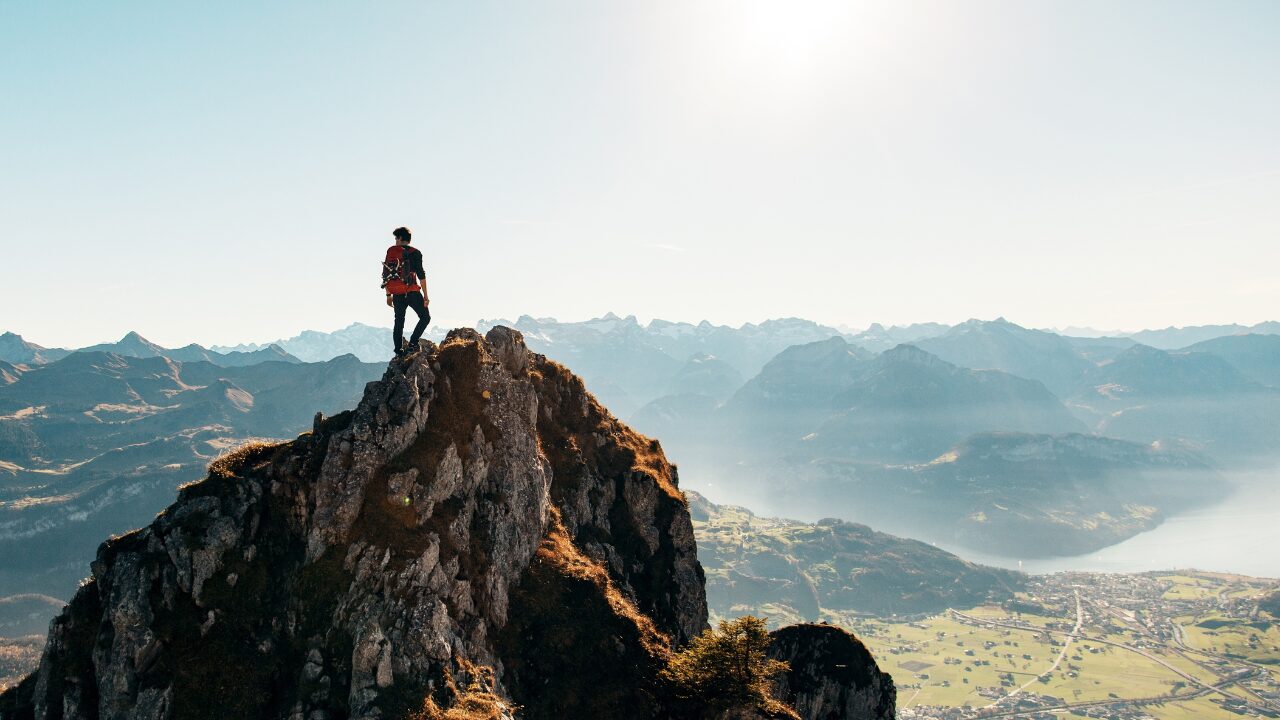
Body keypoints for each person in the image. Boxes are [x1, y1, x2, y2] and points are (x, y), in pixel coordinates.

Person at [381, 226, 430, 356]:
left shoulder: (391, 252)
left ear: (401, 238)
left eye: (396, 238)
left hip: (396, 294)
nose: (395, 241)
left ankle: (398, 350)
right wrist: (426, 296)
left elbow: (386, 274)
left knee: (399, 321)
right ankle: (412, 344)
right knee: (425, 317)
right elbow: (421, 275)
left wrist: (388, 295)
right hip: (412, 291)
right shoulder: (415, 252)